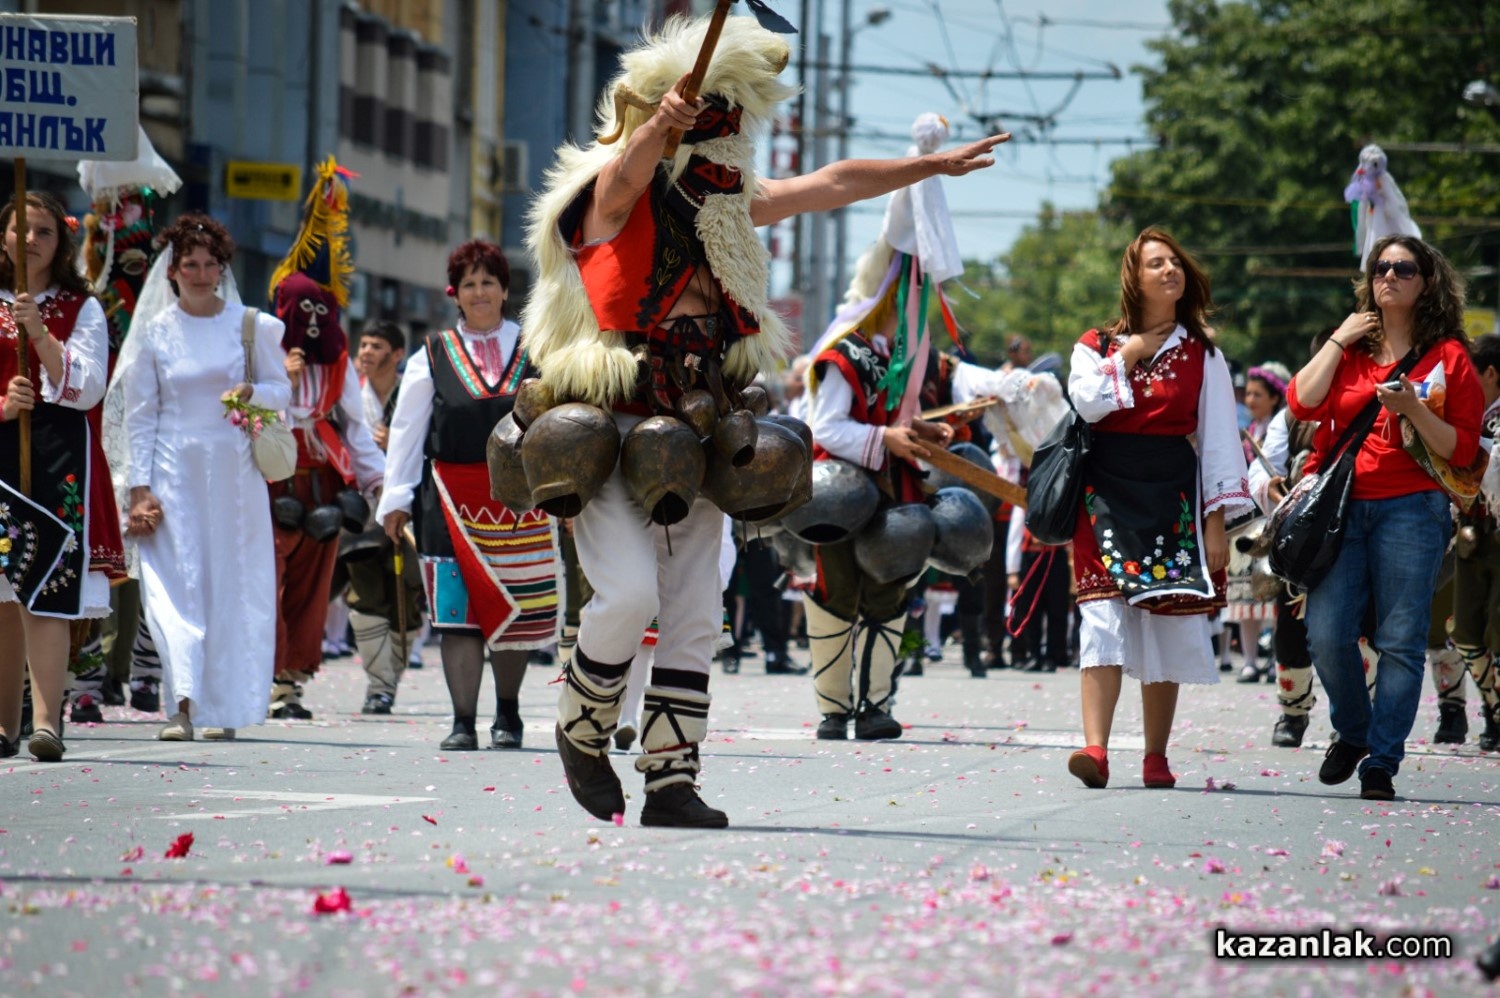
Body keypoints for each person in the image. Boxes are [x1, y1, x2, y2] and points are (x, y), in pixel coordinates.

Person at [524, 15, 1006, 827]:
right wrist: (658, 126)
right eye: (710, 122)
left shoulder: (730, 211)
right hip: (613, 427)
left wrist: (927, 167)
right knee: (629, 594)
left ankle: (672, 782)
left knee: (693, 614)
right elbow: (626, 174)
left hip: (701, 429)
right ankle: (582, 728)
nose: (729, 142)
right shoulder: (612, 196)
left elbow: (834, 182)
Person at [1287, 235, 1482, 801]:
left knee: (1399, 639)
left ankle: (1382, 758)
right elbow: (1301, 403)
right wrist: (1339, 338)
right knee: (1326, 633)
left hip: (1413, 509)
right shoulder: (1350, 348)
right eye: (1381, 268)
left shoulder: (1449, 357)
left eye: (1404, 268)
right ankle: (1354, 730)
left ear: (1427, 282)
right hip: (1342, 508)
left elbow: (1462, 450)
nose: (1389, 276)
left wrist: (1414, 408)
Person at [1065, 227, 1250, 791]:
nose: (1170, 270)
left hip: (1172, 496)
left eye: (1175, 262)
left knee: (1164, 619)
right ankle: (1096, 750)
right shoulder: (1094, 344)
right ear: (1134, 278)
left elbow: (1219, 441)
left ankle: (1155, 756)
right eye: (1156, 263)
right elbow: (1087, 404)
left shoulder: (1204, 354)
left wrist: (1215, 524)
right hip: (1102, 495)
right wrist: (1132, 352)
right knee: (1101, 614)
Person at [376, 240, 560, 751]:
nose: (479, 292)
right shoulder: (432, 354)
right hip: (449, 499)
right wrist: (395, 499)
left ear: (505, 290)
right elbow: (407, 431)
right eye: (469, 284)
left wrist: (568, 496)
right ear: (454, 294)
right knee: (456, 614)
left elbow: (558, 427)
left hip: (519, 501)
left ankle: (508, 713)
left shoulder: (538, 349)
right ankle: (462, 721)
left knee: (515, 608)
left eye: (488, 283)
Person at [115, 213, 291, 742]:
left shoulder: (250, 326)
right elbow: (141, 415)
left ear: (222, 269)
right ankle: (182, 705)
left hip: (235, 474)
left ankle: (227, 705)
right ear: (171, 271)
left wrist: (251, 393)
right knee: (175, 589)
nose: (199, 273)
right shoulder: (155, 333)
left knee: (231, 586)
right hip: (173, 474)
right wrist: (139, 489)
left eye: (209, 264)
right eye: (189, 264)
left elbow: (282, 392)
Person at [0, 192, 123, 761]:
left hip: (56, 458)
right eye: (20, 229)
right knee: (2, 598)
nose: (30, 240)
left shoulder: (82, 307)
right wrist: (3, 406)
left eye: (44, 231)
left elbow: (89, 387)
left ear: (61, 242)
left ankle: (47, 724)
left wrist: (41, 336)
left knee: (45, 585)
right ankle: (4, 724)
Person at [264, 159, 384, 721]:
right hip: (269, 477)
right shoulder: (260, 348)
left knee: (311, 588)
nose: (312, 321)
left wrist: (380, 485)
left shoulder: (338, 364)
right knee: (265, 579)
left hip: (322, 484)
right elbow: (241, 412)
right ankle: (259, 674)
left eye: (322, 311)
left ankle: (288, 685)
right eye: (302, 309)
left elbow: (355, 428)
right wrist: (280, 384)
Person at [345, 321, 424, 715]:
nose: (366, 352)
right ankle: (379, 686)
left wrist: (399, 443)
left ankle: (388, 681)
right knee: (364, 595)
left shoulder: (415, 390)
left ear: (397, 355)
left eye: (376, 346)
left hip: (408, 511)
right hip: (361, 512)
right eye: (363, 344)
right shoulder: (349, 392)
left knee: (407, 596)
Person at [1225, 362, 1290, 683]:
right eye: (1248, 394)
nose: (1250, 400)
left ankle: (1278, 659)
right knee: (1242, 591)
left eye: (1257, 394)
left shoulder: (1283, 432)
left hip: (1273, 519)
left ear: (1274, 398)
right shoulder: (1245, 434)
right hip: (1244, 522)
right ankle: (1250, 661)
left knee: (1275, 590)